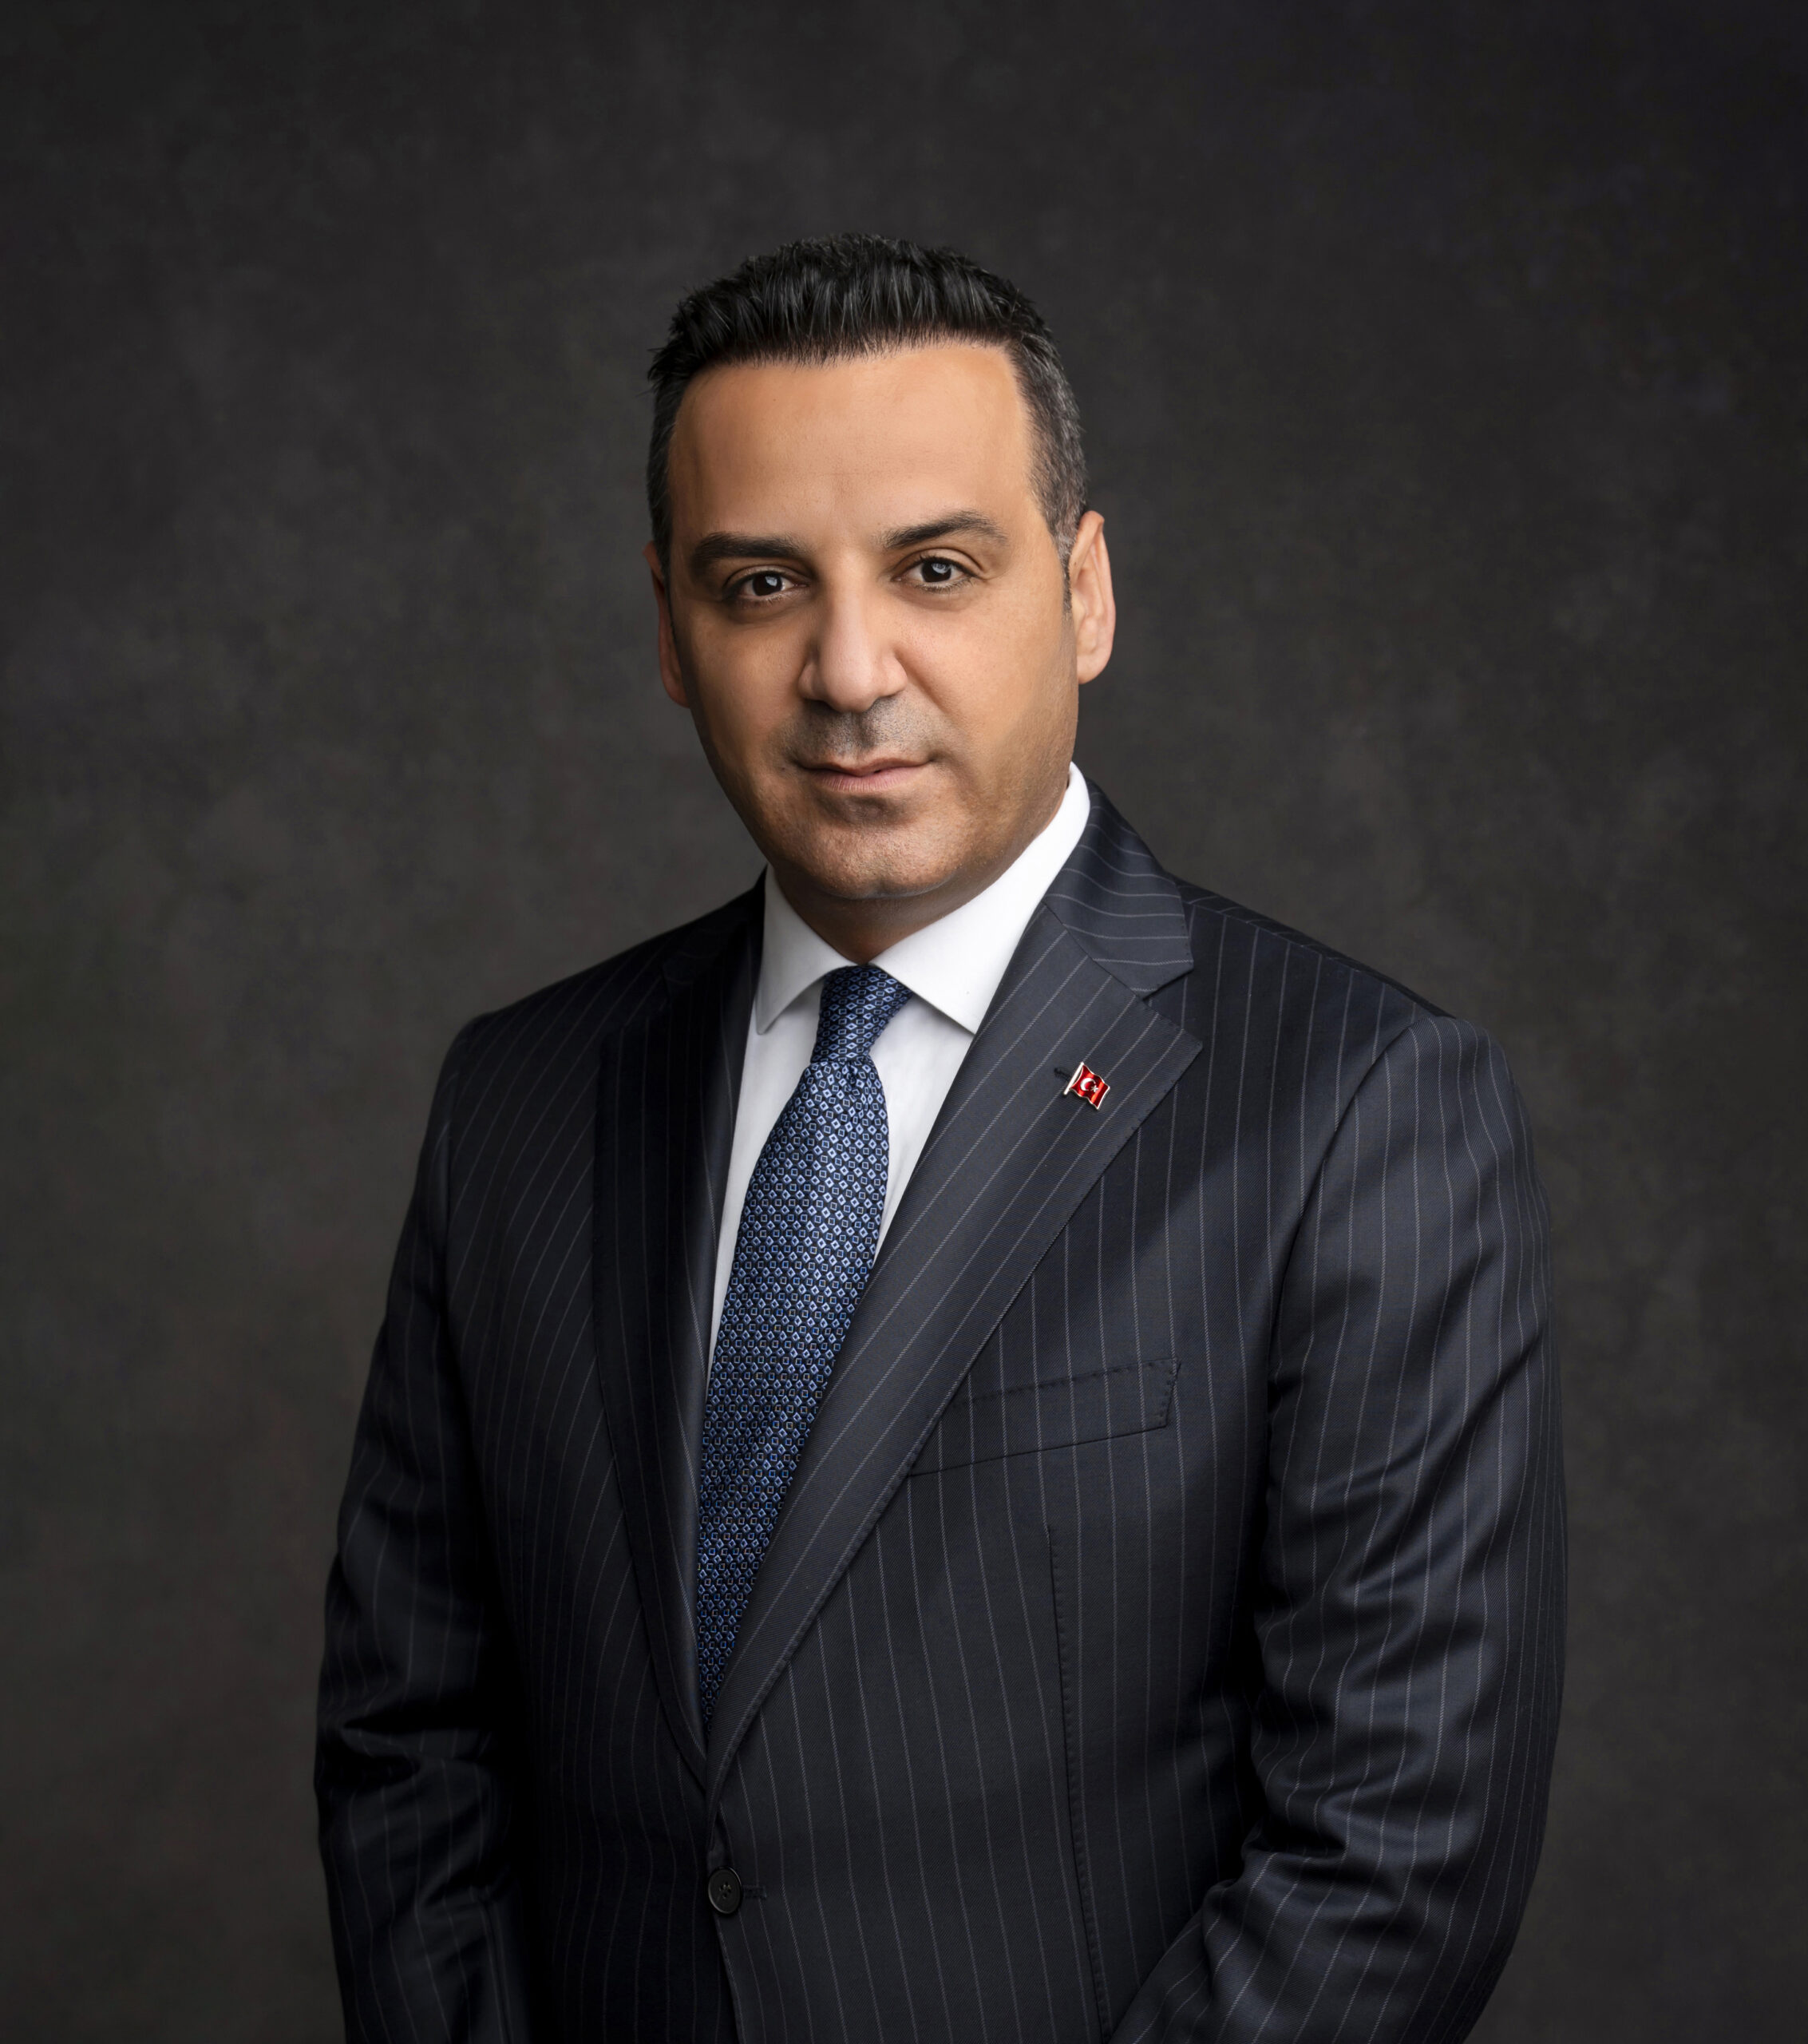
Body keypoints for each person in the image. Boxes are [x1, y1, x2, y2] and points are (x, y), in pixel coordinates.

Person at [316, 234, 1565, 2044]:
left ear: (1084, 594)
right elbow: (408, 1746)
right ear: (668, 631)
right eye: (761, 583)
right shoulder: (517, 1097)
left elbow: (1392, 1854)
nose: (847, 668)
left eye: (934, 569)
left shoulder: (1356, 1107)